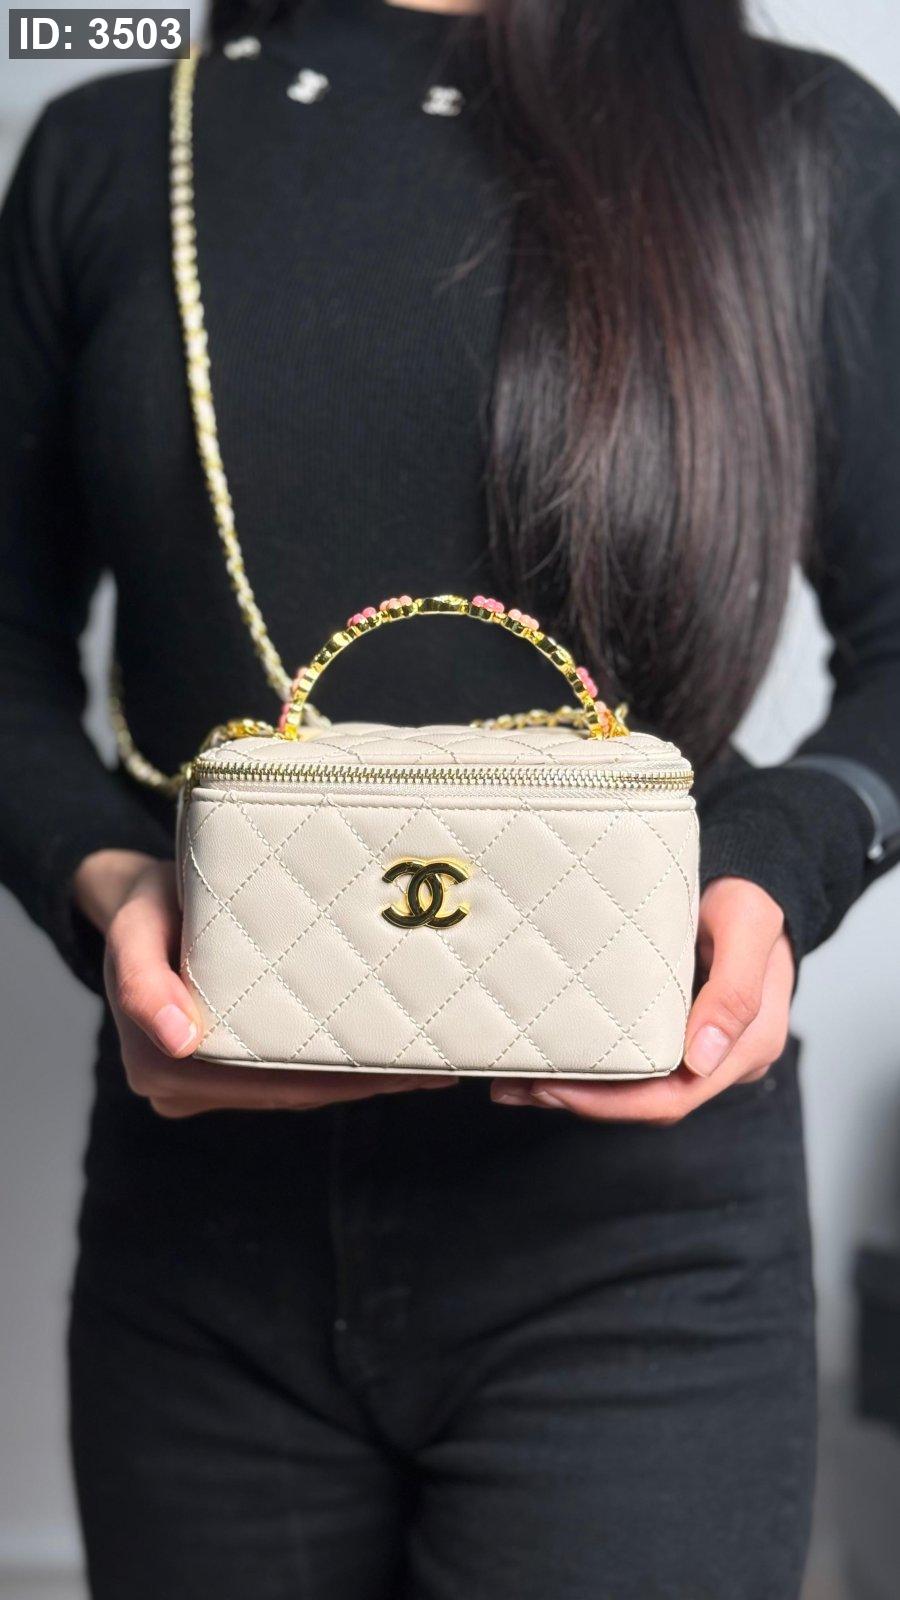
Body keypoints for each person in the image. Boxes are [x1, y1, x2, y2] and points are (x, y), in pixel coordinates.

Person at [1, 1, 899, 1594]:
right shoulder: (115, 149)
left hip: (643, 1257)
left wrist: (779, 860)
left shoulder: (798, 138)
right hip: (197, 1251)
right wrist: (105, 887)